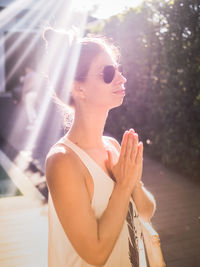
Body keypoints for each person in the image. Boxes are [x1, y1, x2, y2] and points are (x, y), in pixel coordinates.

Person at [45, 29, 156, 267]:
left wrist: (132, 181)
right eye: (108, 72)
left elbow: (146, 212)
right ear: (78, 88)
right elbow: (95, 254)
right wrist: (123, 185)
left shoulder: (113, 146)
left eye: (119, 70)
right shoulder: (63, 161)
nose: (122, 78)